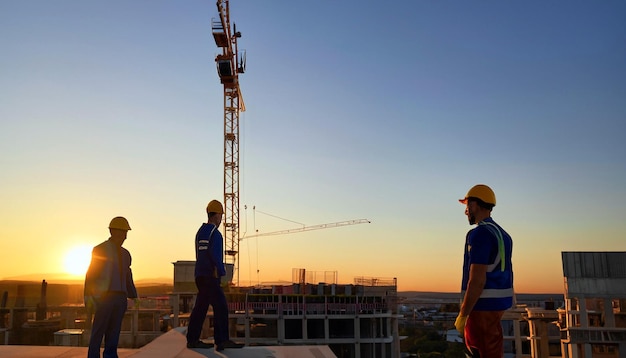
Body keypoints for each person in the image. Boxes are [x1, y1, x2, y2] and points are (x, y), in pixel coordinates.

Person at [454, 184, 514, 357]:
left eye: (467, 206)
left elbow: (477, 280)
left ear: (475, 205)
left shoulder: (479, 234)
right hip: (498, 305)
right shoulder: (504, 234)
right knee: (492, 351)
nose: (466, 212)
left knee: (478, 351)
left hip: (480, 307)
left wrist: (463, 314)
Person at [186, 199, 244, 351]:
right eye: (221, 215)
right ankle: (222, 340)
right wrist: (222, 271)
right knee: (221, 307)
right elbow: (214, 254)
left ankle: (192, 339)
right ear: (217, 215)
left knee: (200, 307)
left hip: (200, 275)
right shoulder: (215, 233)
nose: (221, 219)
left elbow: (202, 253)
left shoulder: (201, 232)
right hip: (210, 277)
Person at [84, 216, 138, 358]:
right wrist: (88, 298)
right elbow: (91, 275)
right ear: (112, 231)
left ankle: (110, 356)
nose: (125, 236)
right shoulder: (100, 250)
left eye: (126, 232)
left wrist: (134, 295)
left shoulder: (126, 254)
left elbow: (128, 276)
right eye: (122, 232)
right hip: (104, 297)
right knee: (98, 331)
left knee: (114, 332)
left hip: (120, 298)